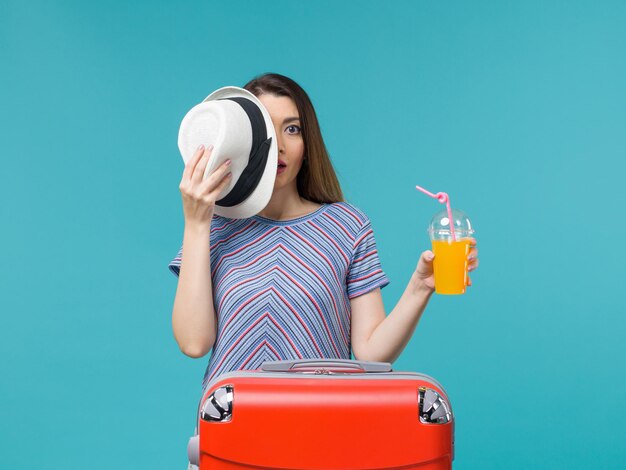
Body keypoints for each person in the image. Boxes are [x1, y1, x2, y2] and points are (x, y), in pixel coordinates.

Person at [168, 72, 479, 389]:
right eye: (265, 129)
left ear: (308, 141)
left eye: (292, 129)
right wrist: (196, 223)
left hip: (325, 424)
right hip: (232, 426)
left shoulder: (347, 225)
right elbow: (194, 343)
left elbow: (370, 352)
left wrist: (420, 286)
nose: (279, 147)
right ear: (243, 140)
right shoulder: (215, 225)